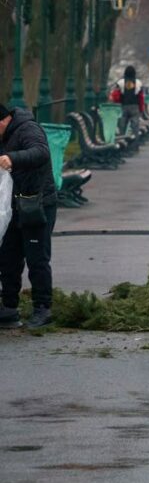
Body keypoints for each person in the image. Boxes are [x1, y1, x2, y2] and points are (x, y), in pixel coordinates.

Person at [0, 104, 57, 329]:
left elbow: (41, 152)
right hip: (13, 205)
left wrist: (12, 158)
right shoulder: (4, 135)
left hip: (37, 203)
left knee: (37, 258)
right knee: (8, 256)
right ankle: (9, 308)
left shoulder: (28, 129)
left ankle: (43, 308)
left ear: (3, 120)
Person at [109, 66, 146, 138]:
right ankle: (135, 145)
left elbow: (115, 95)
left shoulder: (120, 82)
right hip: (135, 107)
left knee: (122, 127)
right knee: (135, 128)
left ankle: (122, 143)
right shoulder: (138, 83)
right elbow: (141, 97)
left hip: (123, 106)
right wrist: (141, 109)